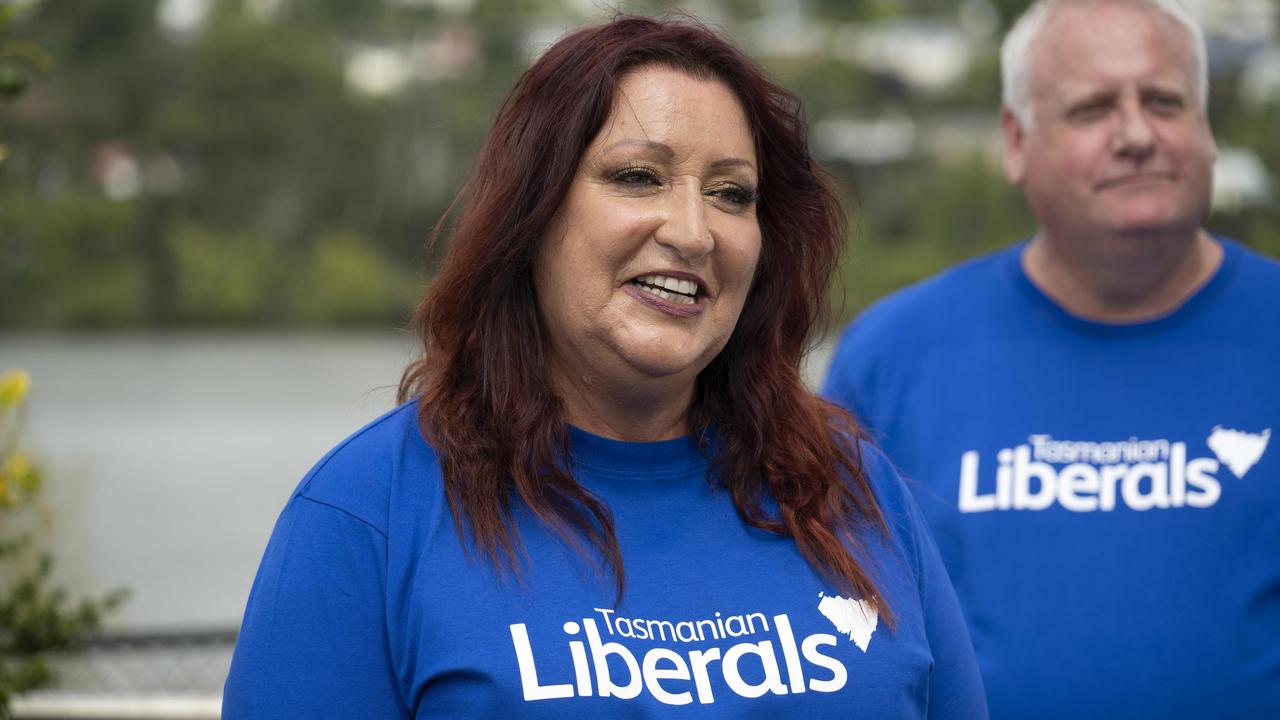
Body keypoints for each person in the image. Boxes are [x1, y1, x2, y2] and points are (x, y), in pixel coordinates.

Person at [221, 15, 987, 719]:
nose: (693, 231)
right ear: (533, 212)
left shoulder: (853, 489)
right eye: (637, 176)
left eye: (730, 194)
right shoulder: (369, 514)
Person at [823, 0, 1280, 717]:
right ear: (1015, 141)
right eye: (1093, 108)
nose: (1136, 134)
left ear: (1207, 129)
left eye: (1165, 101)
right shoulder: (893, 358)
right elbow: (840, 629)